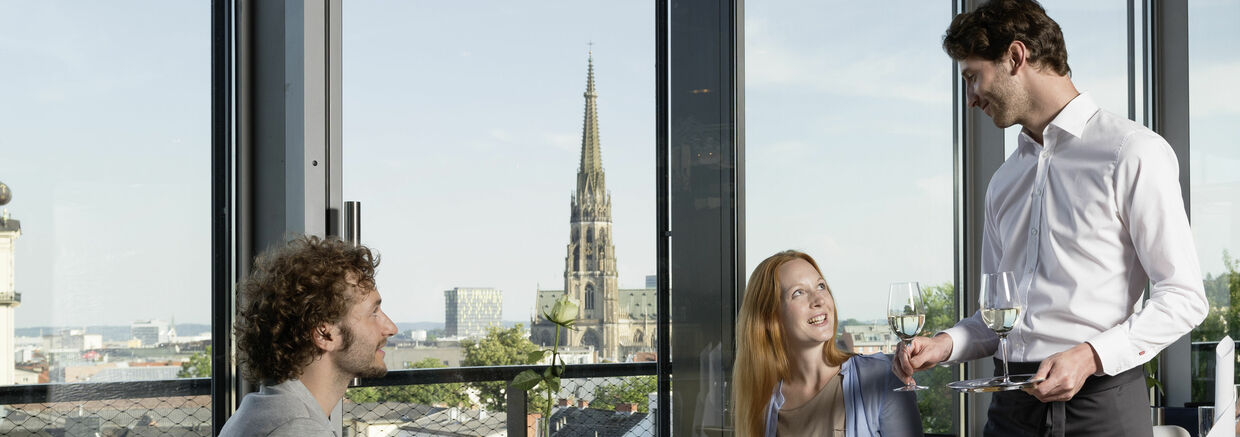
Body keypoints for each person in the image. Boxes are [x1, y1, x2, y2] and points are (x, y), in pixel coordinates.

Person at [894, 1, 1208, 436]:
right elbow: (997, 316)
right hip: (1010, 412)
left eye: (972, 77)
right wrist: (945, 344)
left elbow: (1184, 296)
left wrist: (1090, 356)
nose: (970, 99)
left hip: (1103, 408)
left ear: (1015, 57)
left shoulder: (1131, 151)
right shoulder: (1004, 181)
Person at [220, 236, 399, 437]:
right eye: (373, 312)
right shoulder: (299, 428)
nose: (391, 328)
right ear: (325, 334)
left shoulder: (261, 412)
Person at [734, 250, 922, 437]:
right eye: (798, 292)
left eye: (821, 286)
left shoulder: (881, 377)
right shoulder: (763, 400)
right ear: (769, 318)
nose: (819, 300)